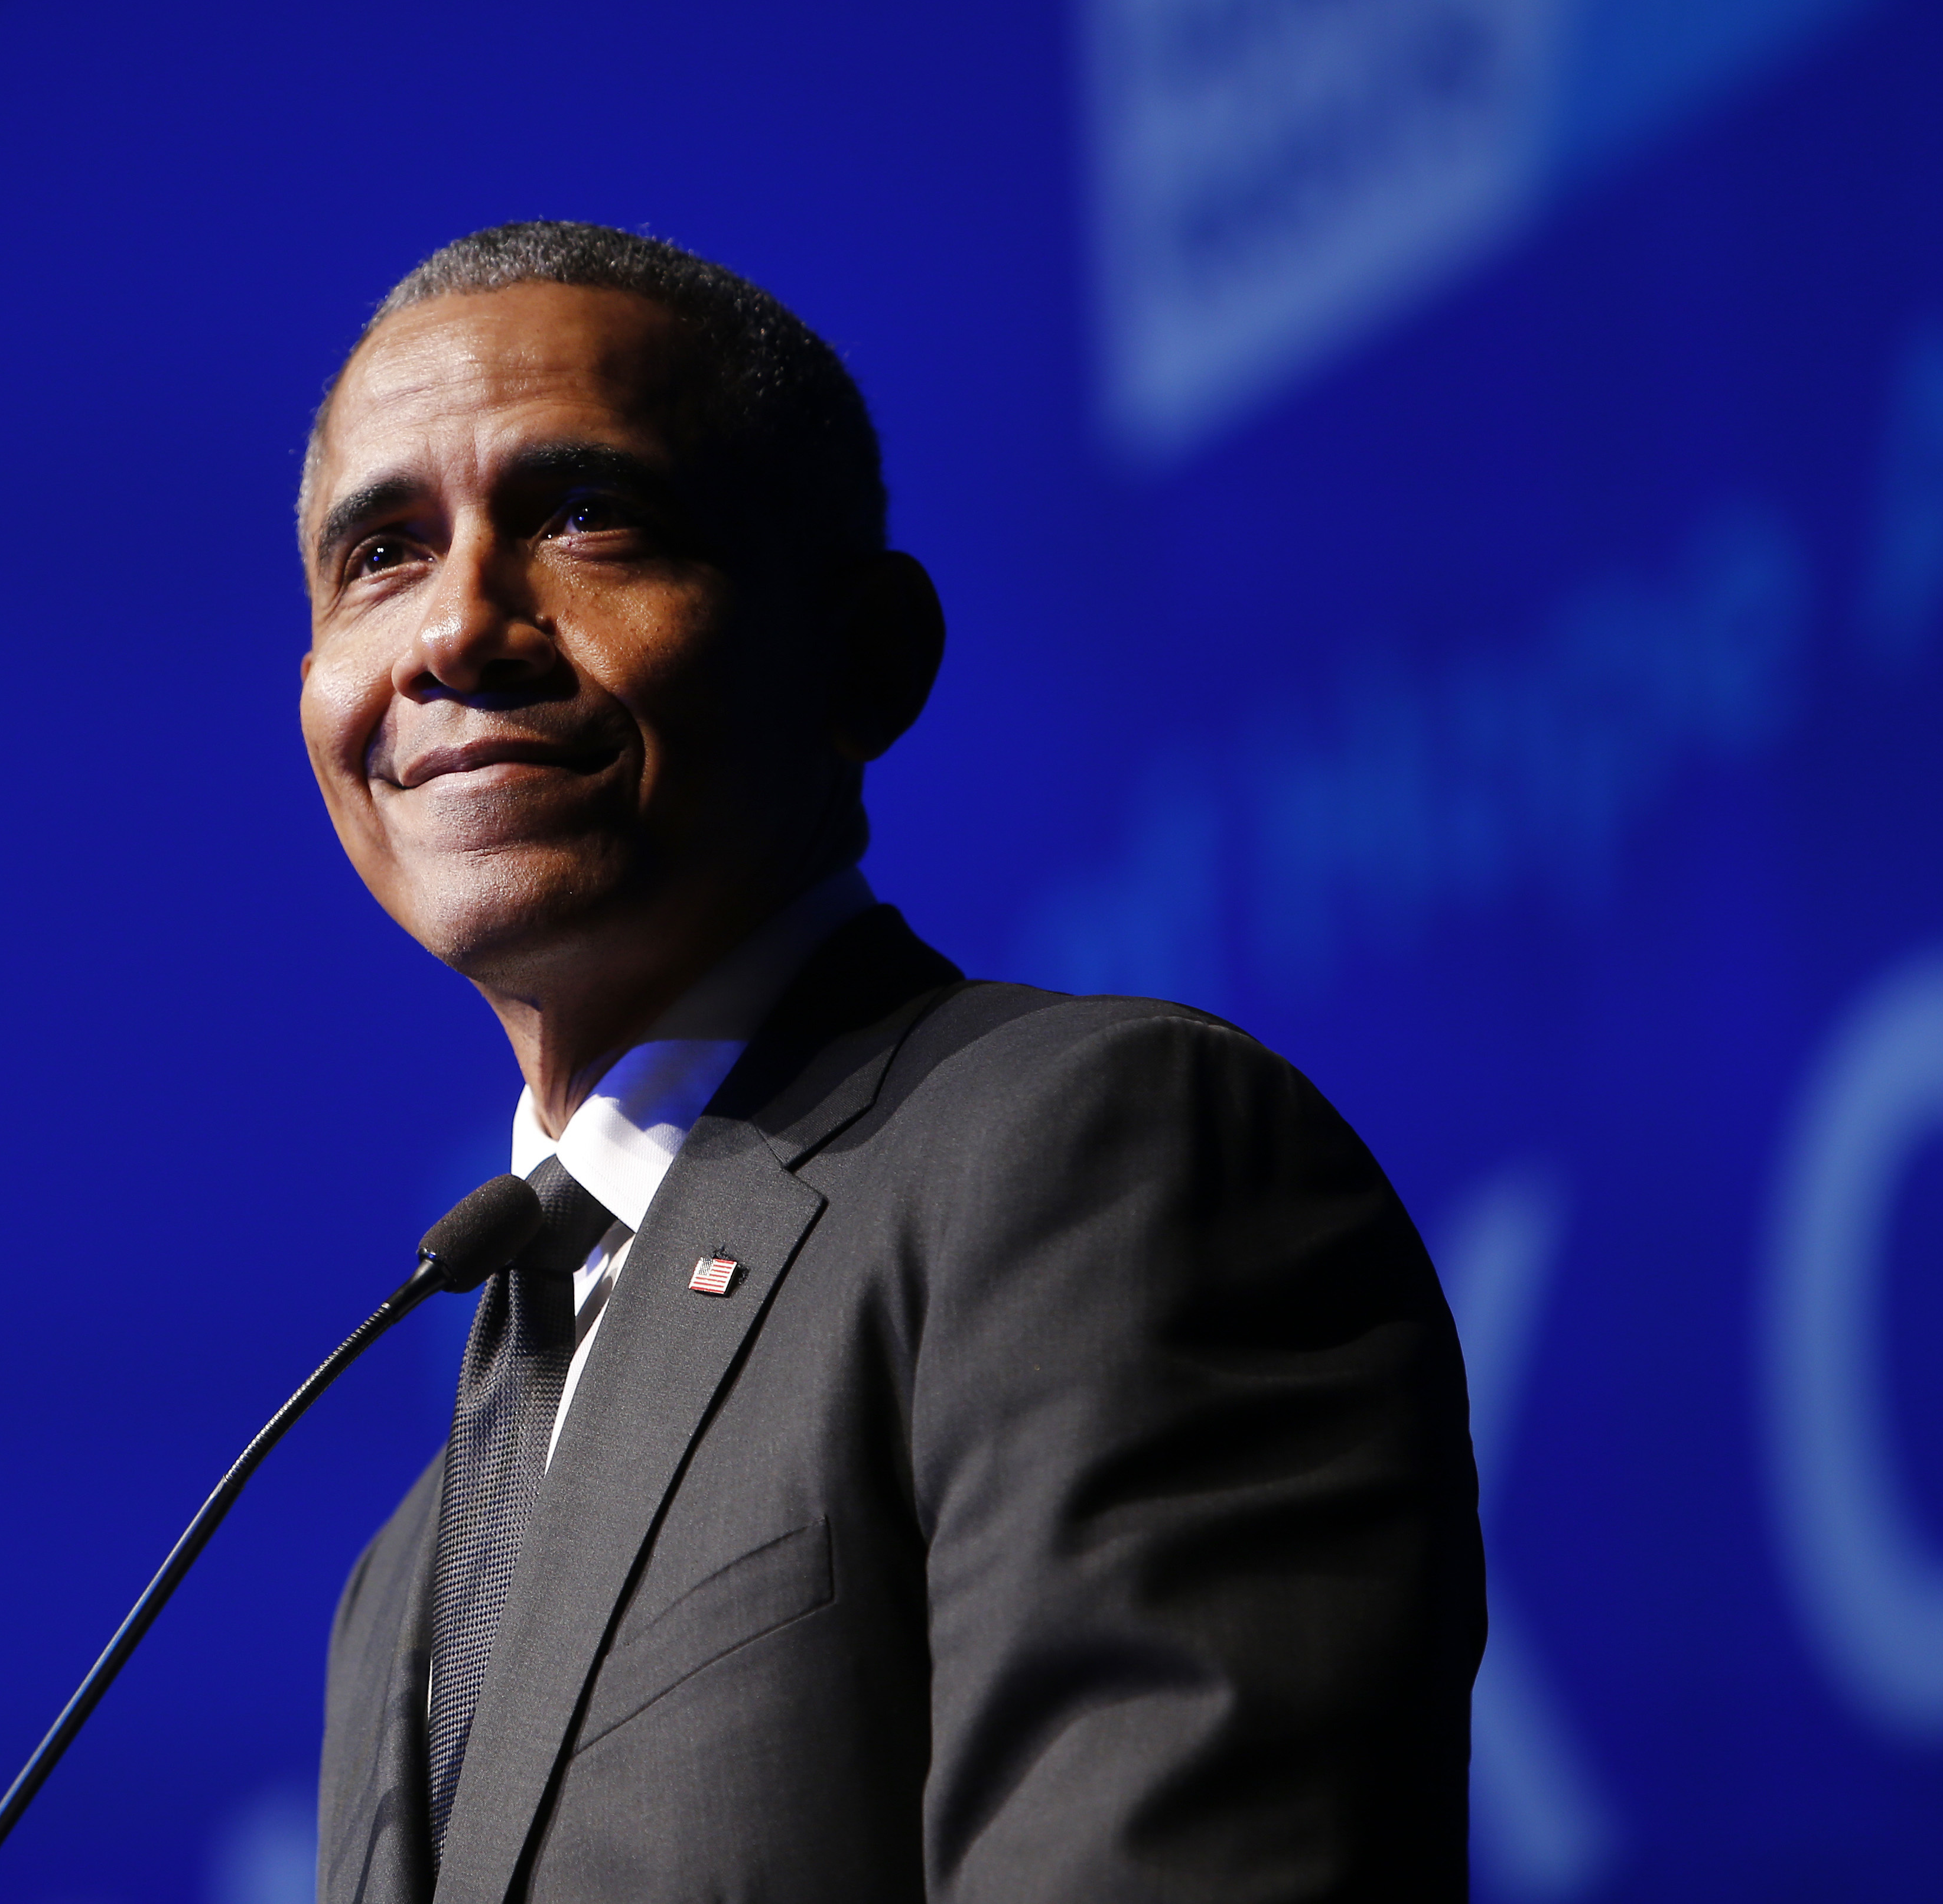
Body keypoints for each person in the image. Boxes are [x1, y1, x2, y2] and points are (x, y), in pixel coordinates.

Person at [298, 222, 1483, 1904]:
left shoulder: (1092, 1162)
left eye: (586, 517)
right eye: (383, 555)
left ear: (866, 658)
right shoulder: (401, 1580)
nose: (457, 628)